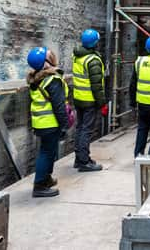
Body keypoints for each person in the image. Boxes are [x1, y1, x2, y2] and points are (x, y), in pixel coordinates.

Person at [26, 47, 69, 198]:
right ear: (45, 63)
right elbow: (59, 105)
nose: (53, 56)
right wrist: (64, 125)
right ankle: (39, 186)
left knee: (49, 152)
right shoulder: (52, 80)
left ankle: (46, 179)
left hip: (41, 123)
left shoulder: (36, 79)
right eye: (49, 56)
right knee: (46, 153)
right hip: (50, 123)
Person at [72, 28, 107, 172]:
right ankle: (84, 162)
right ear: (95, 43)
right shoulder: (92, 60)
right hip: (89, 101)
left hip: (79, 98)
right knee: (86, 130)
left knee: (80, 128)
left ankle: (79, 158)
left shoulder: (78, 56)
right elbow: (97, 86)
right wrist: (102, 103)